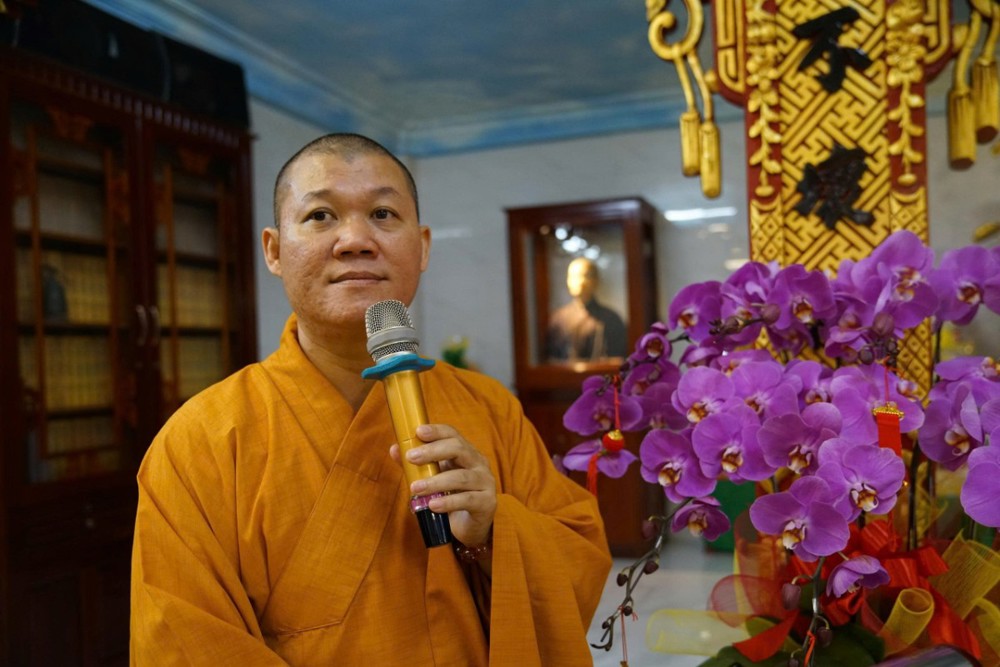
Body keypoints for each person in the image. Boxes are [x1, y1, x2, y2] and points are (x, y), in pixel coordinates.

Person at [129, 133, 612, 665]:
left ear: (422, 246)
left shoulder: (488, 407)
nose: (356, 240)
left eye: (383, 214)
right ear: (273, 250)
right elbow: (183, 641)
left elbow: (578, 562)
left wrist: (494, 532)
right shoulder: (200, 441)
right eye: (320, 216)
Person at [546, 256, 627, 362]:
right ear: (567, 281)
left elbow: (617, 358)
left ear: (596, 281)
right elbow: (553, 358)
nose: (580, 282)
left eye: (585, 276)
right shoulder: (558, 319)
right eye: (574, 276)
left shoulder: (611, 319)